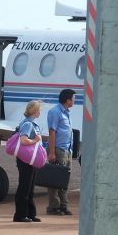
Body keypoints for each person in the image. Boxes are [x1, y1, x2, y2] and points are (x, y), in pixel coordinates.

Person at [46, 88, 75, 216]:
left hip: (67, 150)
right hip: (58, 149)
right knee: (55, 180)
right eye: (74, 98)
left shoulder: (66, 112)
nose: (75, 100)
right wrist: (52, 152)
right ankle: (53, 206)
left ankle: (63, 205)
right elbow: (52, 132)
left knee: (64, 179)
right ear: (68, 100)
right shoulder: (55, 112)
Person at [13, 100, 43, 223]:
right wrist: (36, 140)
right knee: (24, 187)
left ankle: (30, 213)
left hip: (30, 159)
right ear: (35, 111)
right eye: (39, 110)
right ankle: (20, 215)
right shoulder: (28, 124)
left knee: (29, 187)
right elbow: (24, 140)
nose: (40, 112)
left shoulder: (30, 123)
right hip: (26, 159)